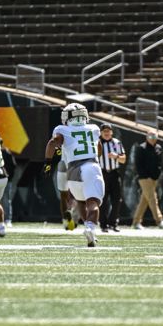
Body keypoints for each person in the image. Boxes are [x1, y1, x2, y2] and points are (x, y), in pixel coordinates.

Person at [45, 102, 104, 248]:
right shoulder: (94, 128)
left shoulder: (62, 129)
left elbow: (53, 143)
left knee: (81, 202)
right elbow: (99, 147)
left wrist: (47, 163)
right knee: (93, 203)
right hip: (91, 166)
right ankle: (90, 228)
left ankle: (89, 233)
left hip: (73, 171)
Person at [132, 129, 163, 230]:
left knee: (144, 200)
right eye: (151, 137)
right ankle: (159, 220)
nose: (153, 139)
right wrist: (145, 175)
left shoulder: (158, 148)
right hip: (144, 178)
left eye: (154, 137)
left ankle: (136, 222)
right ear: (146, 137)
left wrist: (157, 175)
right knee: (153, 199)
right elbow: (138, 165)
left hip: (154, 178)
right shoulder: (141, 148)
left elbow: (159, 163)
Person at [99, 123, 126, 233]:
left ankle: (113, 223)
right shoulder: (97, 143)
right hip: (101, 173)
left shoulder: (116, 143)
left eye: (108, 131)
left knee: (117, 200)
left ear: (112, 132)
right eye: (104, 131)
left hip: (114, 173)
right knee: (103, 200)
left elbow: (123, 159)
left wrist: (116, 156)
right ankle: (103, 224)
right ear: (100, 132)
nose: (106, 133)